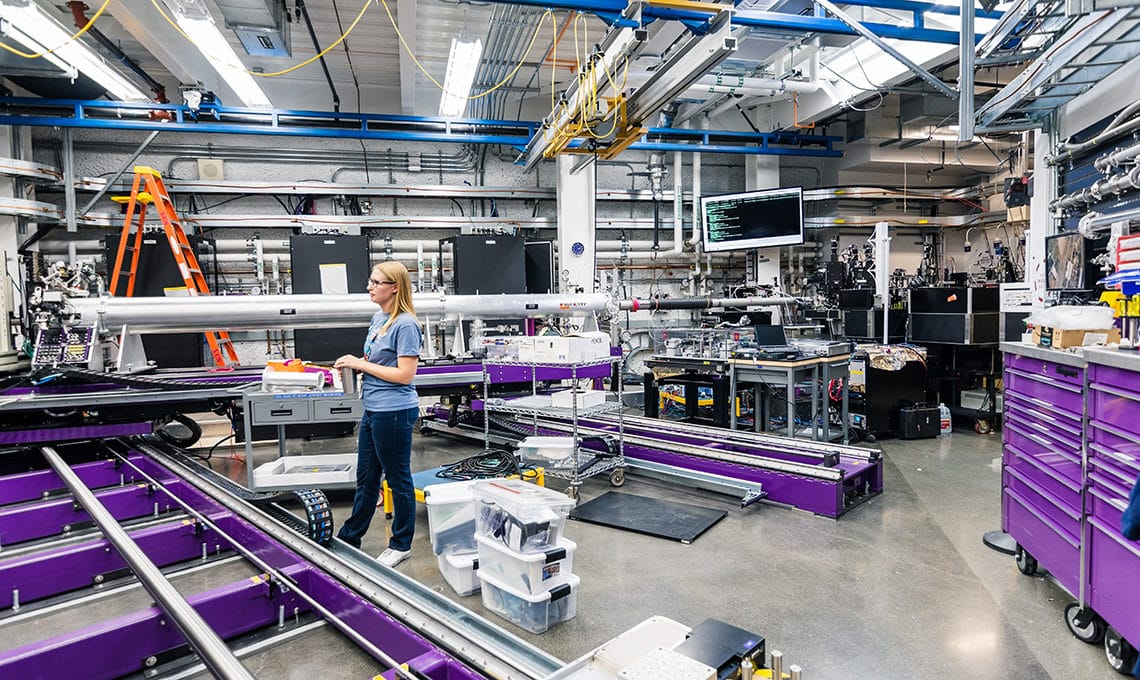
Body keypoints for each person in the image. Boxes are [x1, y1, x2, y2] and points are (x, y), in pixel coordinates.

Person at [334, 261, 422, 568]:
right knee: (367, 478)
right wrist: (354, 362)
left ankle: (401, 544)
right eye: (370, 281)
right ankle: (350, 537)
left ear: (394, 288)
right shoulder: (379, 317)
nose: (369, 286)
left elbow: (405, 374)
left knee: (398, 479)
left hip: (394, 411)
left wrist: (361, 366)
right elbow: (376, 359)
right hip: (373, 408)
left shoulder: (406, 324)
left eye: (376, 282)